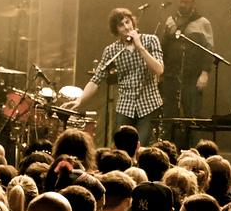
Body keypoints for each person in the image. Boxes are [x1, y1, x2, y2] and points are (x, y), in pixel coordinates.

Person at [64, 8, 164, 142]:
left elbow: (159, 70)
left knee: (141, 146)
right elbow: (96, 80)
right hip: (125, 106)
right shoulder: (112, 50)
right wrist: (79, 100)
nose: (126, 27)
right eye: (121, 25)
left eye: (128, 22)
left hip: (148, 104)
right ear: (116, 29)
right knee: (122, 147)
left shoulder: (151, 40)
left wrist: (140, 47)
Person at [159, 0, 214, 147]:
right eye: (180, 1)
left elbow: (208, 50)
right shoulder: (171, 20)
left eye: (186, 2)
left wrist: (204, 74)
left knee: (192, 117)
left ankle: (193, 151)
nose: (182, 5)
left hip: (192, 76)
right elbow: (163, 48)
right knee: (169, 117)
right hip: (171, 75)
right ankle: (168, 151)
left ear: (193, 3)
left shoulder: (202, 22)